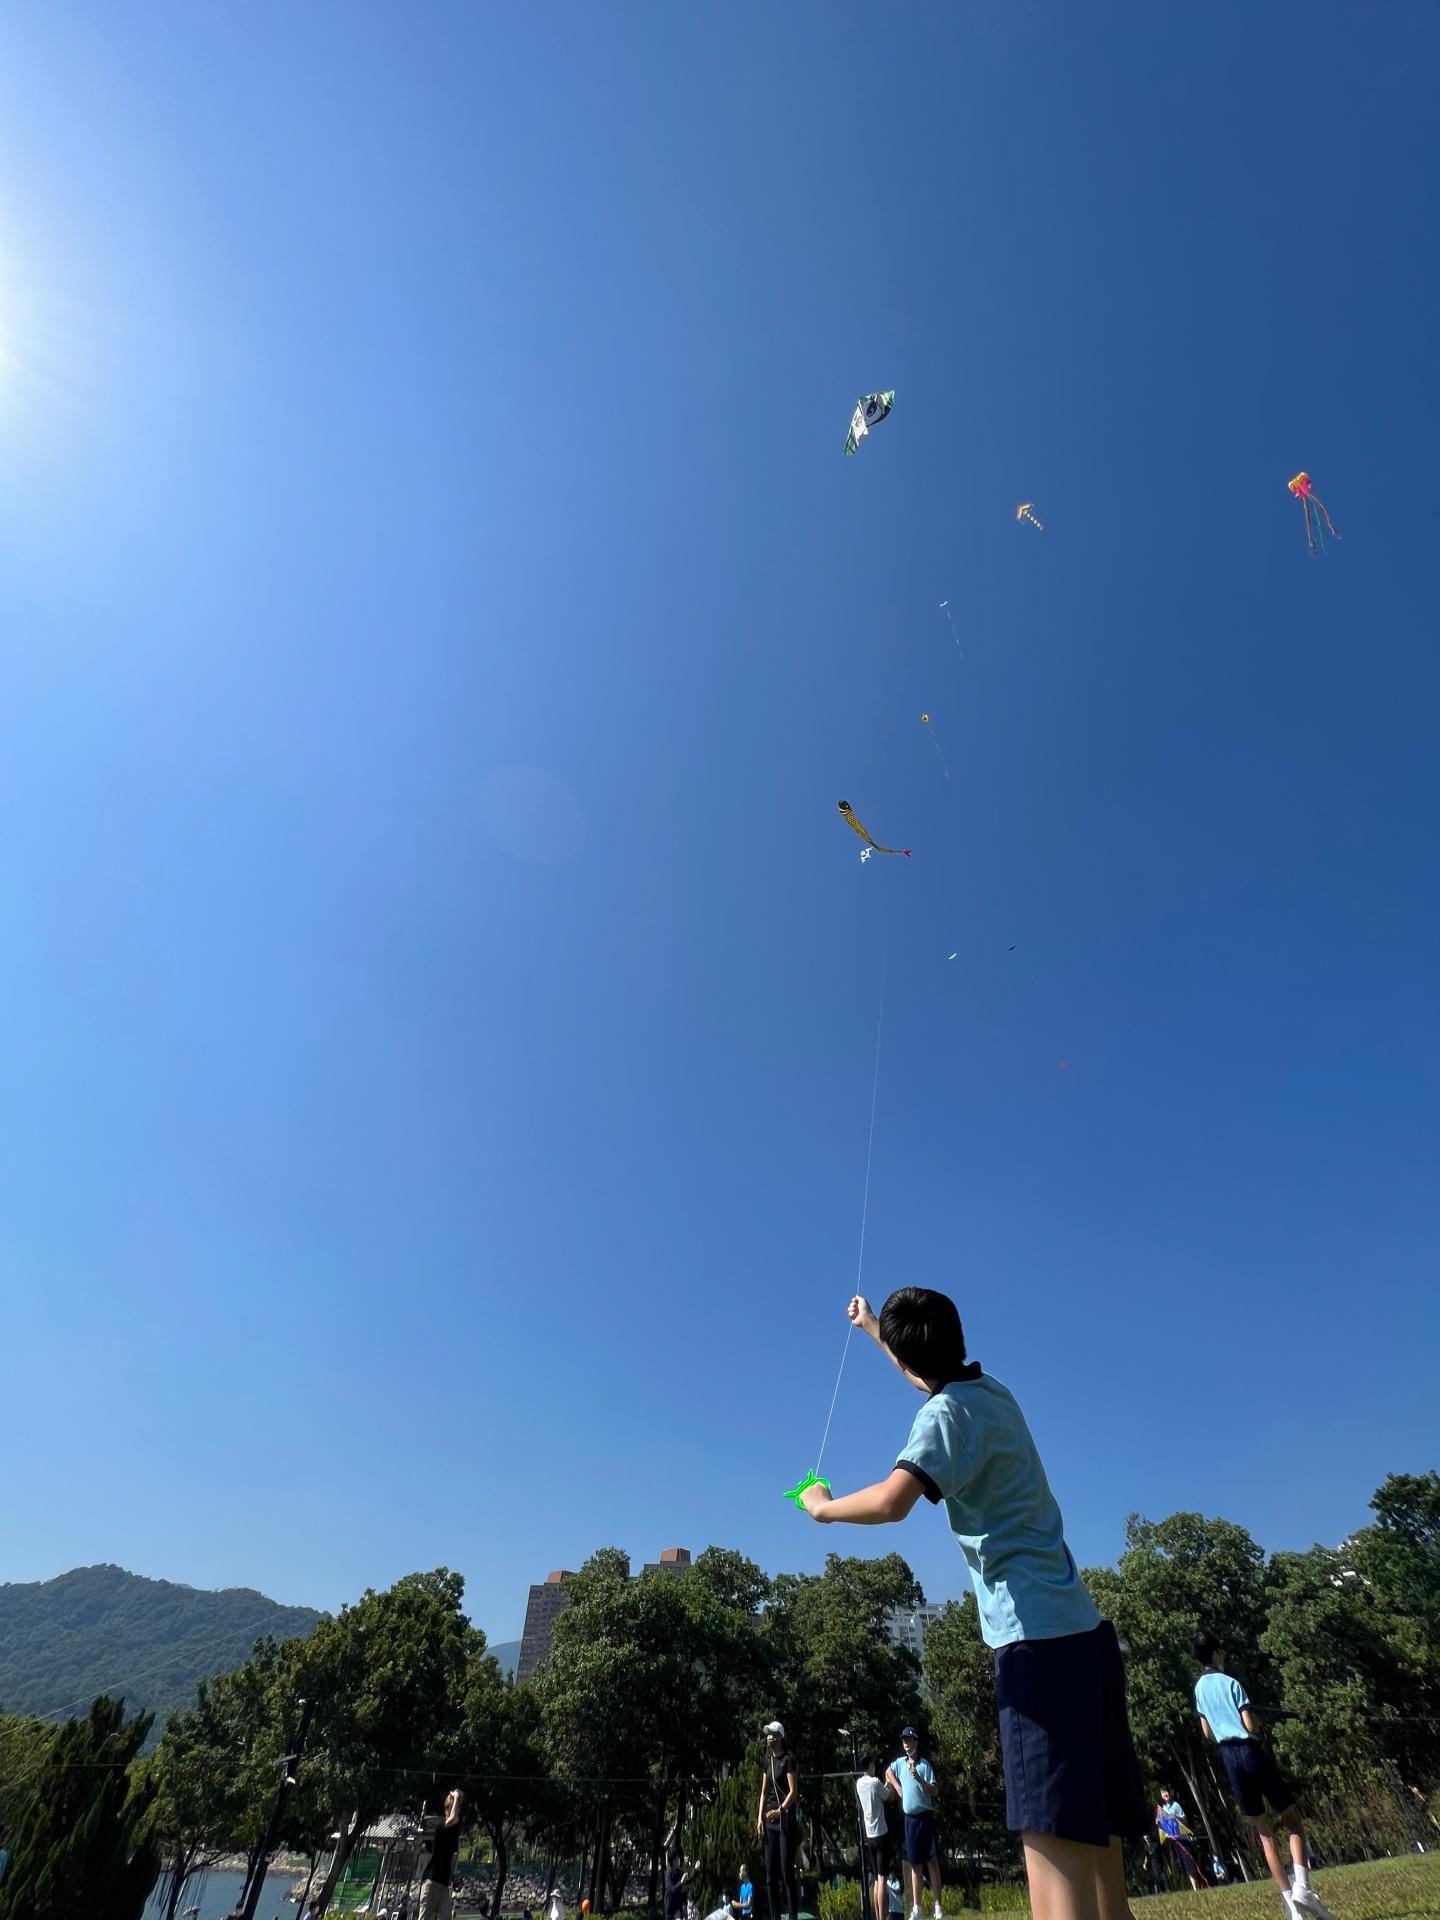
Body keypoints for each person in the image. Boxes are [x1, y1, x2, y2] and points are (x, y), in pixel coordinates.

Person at [798, 1288, 1147, 1920]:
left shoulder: (943, 1419)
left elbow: (892, 1501)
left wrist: (822, 1509)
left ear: (912, 1360)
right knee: (1103, 1868)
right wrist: (874, 1328)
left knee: (1055, 1863)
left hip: (1034, 1647)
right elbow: (928, 1378)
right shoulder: (993, 1394)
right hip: (1087, 1636)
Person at [1192, 1630, 1337, 1920]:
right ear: (1217, 1654)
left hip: (1228, 1758)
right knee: (1291, 1817)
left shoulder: (1198, 1689)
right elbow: (1249, 1724)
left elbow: (1207, 1732)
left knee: (1264, 1833)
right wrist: (1256, 1722)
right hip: (1249, 1752)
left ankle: (1292, 1908)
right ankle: (1303, 1888)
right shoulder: (1231, 1682)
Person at [884, 1730, 942, 1920]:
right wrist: (897, 1787)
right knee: (915, 1863)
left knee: (932, 1862)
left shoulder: (925, 1765)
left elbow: (935, 1791)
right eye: (904, 1740)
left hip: (925, 1816)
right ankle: (917, 1908)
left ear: (916, 1741)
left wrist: (919, 1779)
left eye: (909, 1739)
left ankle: (938, 1906)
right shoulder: (900, 1763)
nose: (906, 1743)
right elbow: (888, 1772)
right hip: (910, 1820)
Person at [755, 1719, 800, 1920]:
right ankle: (775, 1916)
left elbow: (793, 1792)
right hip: (769, 1822)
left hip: (785, 1820)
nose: (769, 1737)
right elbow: (764, 1792)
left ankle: (792, 1915)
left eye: (772, 1734)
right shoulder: (767, 1761)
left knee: (786, 1871)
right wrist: (760, 1817)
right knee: (770, 1874)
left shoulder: (788, 1760)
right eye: (767, 1734)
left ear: (780, 1737)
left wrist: (780, 1810)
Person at [855, 1756, 895, 1920]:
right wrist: (889, 1782)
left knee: (876, 1880)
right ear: (870, 1766)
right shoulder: (875, 1782)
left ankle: (877, 1917)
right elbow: (889, 1796)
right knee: (882, 1879)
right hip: (881, 1834)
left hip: (869, 1835)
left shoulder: (859, 1784)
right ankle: (882, 1917)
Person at [419, 1789, 465, 1920]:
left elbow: (452, 1856)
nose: (456, 1810)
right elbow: (453, 1817)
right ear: (446, 1809)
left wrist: (453, 1875)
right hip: (432, 1881)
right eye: (454, 1807)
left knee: (446, 1917)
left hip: (444, 1884)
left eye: (458, 1807)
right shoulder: (441, 1826)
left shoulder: (454, 1831)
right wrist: (456, 1796)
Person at [1154, 1788, 1201, 1892]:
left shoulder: (1176, 1805)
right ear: (1161, 1796)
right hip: (1174, 1841)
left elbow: (1185, 1822)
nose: (1165, 1794)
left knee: (1189, 1862)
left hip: (1183, 1839)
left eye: (1166, 1792)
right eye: (1162, 1793)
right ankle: (1193, 1886)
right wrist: (1158, 1822)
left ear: (1169, 1793)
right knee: (1182, 1864)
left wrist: (1177, 1818)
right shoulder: (1163, 1809)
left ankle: (1195, 1888)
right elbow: (1163, 1827)